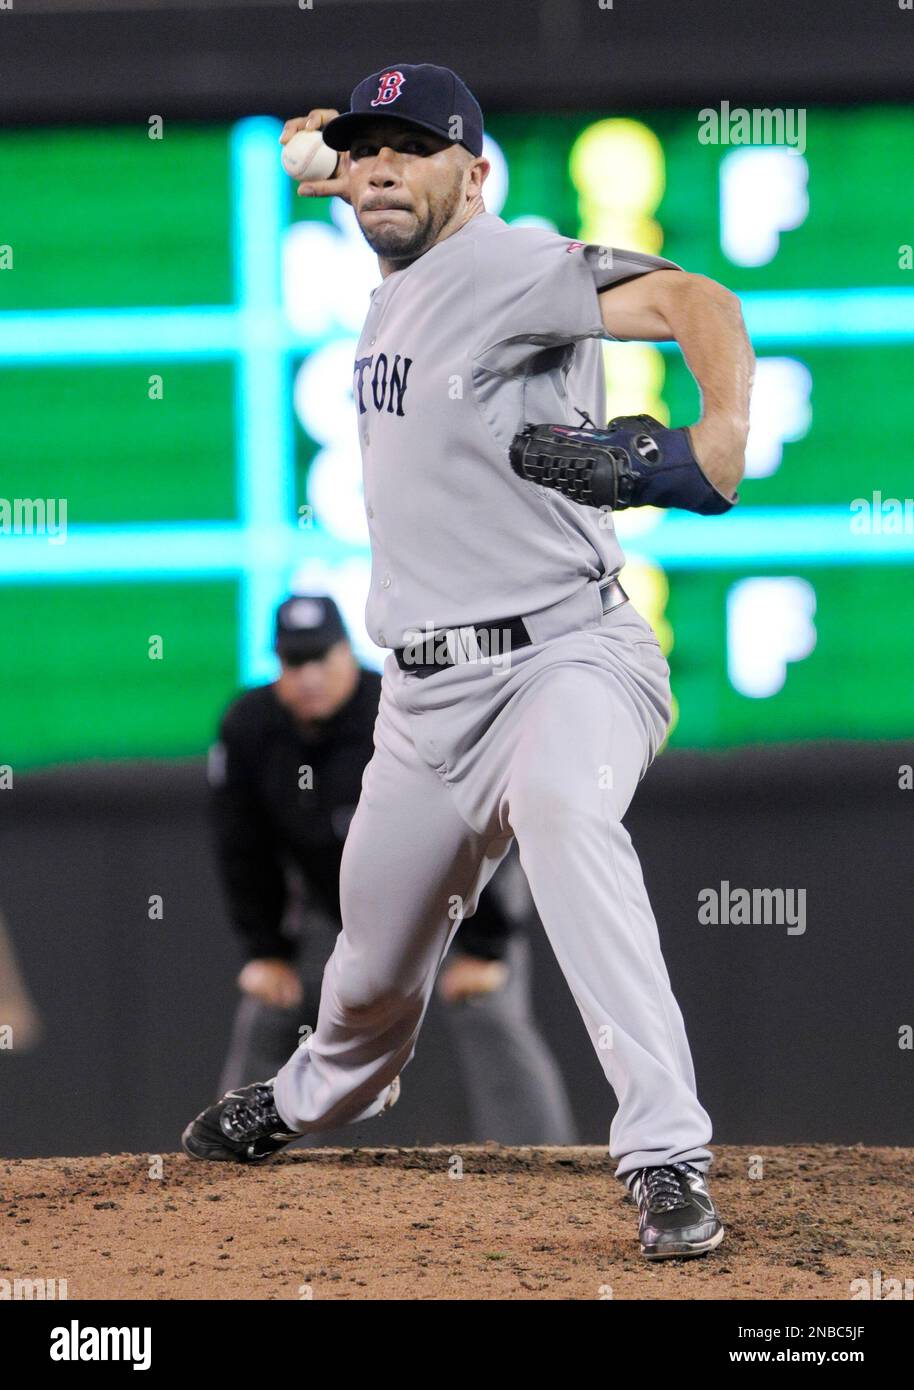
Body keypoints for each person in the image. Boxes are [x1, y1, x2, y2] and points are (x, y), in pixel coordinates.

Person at [184, 63, 754, 1261]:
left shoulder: (511, 260)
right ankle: (310, 1097)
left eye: (415, 147)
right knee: (366, 979)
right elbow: (337, 166)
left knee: (562, 816)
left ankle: (664, 1154)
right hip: (425, 700)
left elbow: (698, 299)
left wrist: (714, 443)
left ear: (475, 173)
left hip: (567, 655)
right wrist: (318, 162)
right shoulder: (391, 255)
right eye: (369, 147)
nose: (384, 163)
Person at [209, 593, 576, 1144]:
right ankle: (234, 1160)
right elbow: (243, 851)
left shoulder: (401, 706)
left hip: (453, 895)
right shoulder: (251, 729)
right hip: (340, 910)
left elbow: (483, 820)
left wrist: (486, 946)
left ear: (345, 653)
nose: (308, 676)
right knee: (272, 1004)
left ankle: (544, 1167)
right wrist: (266, 951)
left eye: (321, 658)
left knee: (490, 1008)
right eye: (294, 662)